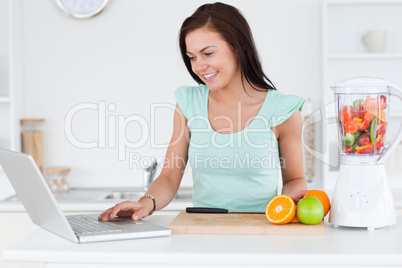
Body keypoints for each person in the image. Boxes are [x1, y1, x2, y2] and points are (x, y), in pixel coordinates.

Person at [99, 2, 307, 222]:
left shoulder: (283, 110)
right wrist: (144, 204)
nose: (198, 66)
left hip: (262, 231)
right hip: (202, 233)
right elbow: (170, 176)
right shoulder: (189, 103)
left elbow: (294, 179)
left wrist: (291, 202)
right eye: (192, 57)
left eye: (207, 53)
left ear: (240, 47)